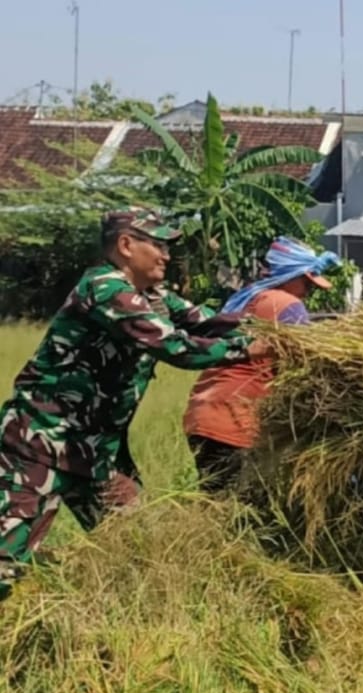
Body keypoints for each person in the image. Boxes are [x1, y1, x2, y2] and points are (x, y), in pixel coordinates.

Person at [0, 207, 266, 587]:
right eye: (159, 245)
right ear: (126, 245)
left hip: (98, 455)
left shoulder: (152, 297)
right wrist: (248, 350)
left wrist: (278, 331)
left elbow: (204, 322)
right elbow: (176, 346)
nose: (167, 256)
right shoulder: (106, 289)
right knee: (5, 568)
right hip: (39, 445)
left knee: (137, 552)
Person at [183, 237, 339, 491]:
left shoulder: (249, 298)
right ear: (290, 275)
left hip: (206, 410)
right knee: (236, 503)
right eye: (306, 282)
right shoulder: (287, 304)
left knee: (217, 499)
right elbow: (305, 364)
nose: (309, 290)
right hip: (234, 416)